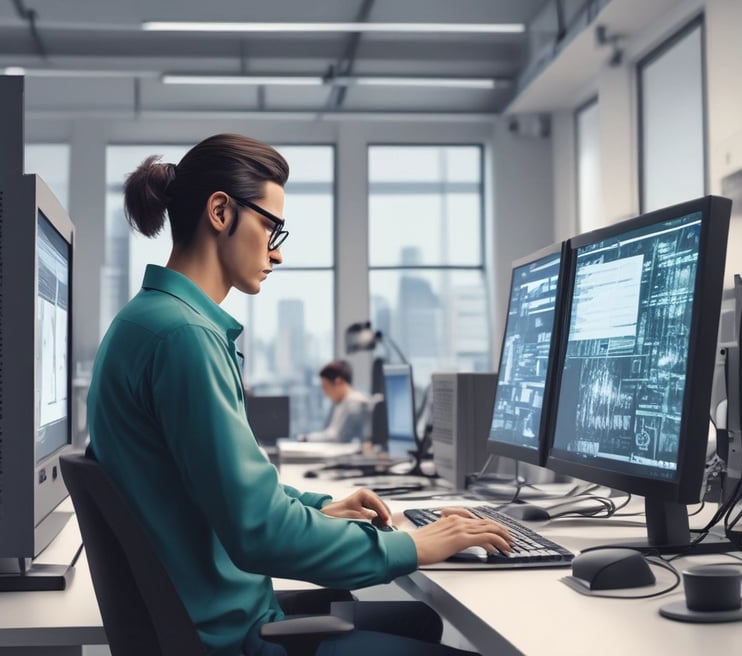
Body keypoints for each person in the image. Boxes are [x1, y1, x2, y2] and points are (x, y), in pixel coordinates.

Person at [87, 133, 512, 656]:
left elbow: (223, 493)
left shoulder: (149, 321)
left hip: (213, 615)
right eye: (270, 227)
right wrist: (412, 545)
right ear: (220, 211)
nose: (278, 252)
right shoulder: (183, 337)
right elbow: (259, 533)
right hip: (236, 638)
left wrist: (322, 507)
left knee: (421, 621)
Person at [299, 360, 370, 443]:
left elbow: (338, 438)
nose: (324, 391)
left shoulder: (356, 404)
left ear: (338, 382)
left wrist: (306, 439)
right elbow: (328, 431)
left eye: (325, 386)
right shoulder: (340, 402)